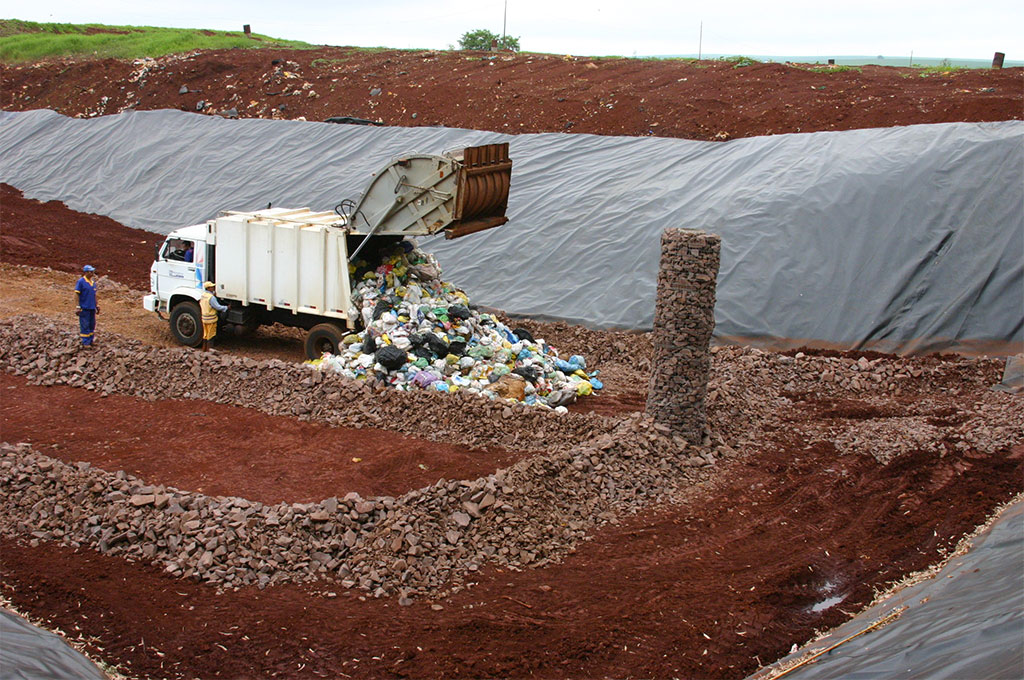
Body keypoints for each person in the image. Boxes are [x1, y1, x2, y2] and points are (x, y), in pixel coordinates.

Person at [74, 265, 99, 348]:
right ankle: (86, 342)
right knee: (85, 324)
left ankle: (91, 340)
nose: (92, 273)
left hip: (91, 307)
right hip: (84, 308)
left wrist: (97, 305)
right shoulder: (81, 282)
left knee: (92, 324)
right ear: (86, 272)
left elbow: (94, 295)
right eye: (90, 272)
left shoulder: (93, 283)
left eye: (92, 272)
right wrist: (78, 306)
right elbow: (77, 294)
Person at [199, 281, 228, 352]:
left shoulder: (203, 295)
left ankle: (204, 349)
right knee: (211, 334)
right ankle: (209, 349)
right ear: (208, 288)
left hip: (204, 318)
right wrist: (226, 308)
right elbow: (217, 307)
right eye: (212, 287)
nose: (213, 288)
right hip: (211, 319)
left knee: (205, 334)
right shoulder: (211, 298)